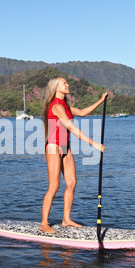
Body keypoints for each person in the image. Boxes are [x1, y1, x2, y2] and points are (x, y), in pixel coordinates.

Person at [40, 76, 108, 233]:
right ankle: (44, 223)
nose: (67, 84)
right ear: (57, 88)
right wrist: (93, 143)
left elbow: (83, 112)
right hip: (53, 147)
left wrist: (101, 101)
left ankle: (66, 219)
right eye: (64, 83)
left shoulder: (64, 105)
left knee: (71, 183)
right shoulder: (56, 106)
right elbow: (70, 127)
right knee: (54, 186)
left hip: (65, 147)